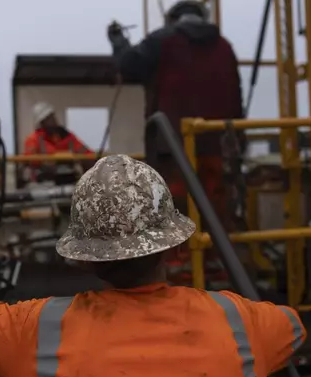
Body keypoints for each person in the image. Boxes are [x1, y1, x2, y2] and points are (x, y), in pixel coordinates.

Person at [0, 154, 305, 377]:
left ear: (84, 259)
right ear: (173, 247)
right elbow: (292, 327)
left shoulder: (36, 330)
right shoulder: (240, 321)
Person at [106, 0, 247, 285]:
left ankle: (180, 267)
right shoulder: (225, 47)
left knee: (176, 204)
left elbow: (130, 65)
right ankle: (215, 264)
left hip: (174, 146)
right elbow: (236, 97)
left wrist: (118, 41)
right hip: (216, 145)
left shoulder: (164, 40)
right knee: (214, 204)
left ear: (173, 19)